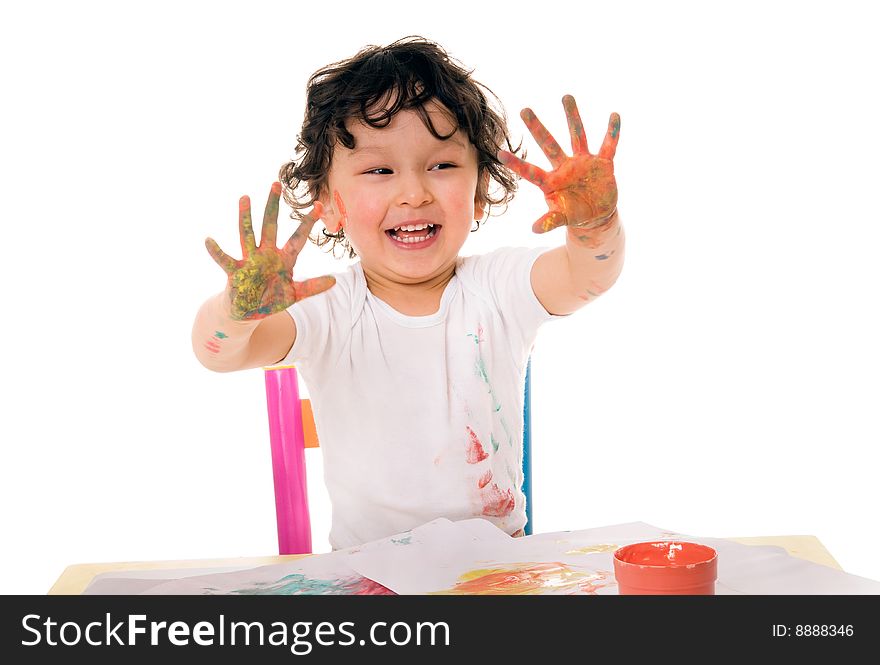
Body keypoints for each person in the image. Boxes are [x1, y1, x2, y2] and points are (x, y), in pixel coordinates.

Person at [192, 36, 624, 550]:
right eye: (379, 170)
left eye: (441, 166)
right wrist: (237, 314)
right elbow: (217, 353)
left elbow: (584, 277)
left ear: (481, 189)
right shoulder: (329, 310)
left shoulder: (498, 288)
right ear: (328, 203)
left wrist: (595, 226)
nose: (414, 192)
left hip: (496, 572)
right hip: (367, 580)